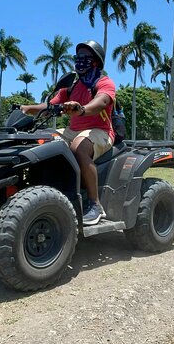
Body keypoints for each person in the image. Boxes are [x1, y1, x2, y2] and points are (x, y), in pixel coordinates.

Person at [21, 40, 116, 225]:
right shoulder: (72, 86)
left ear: (95, 62)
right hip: (72, 130)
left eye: (84, 58)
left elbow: (102, 102)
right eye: (77, 57)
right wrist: (27, 108)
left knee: (79, 148)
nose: (79, 61)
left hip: (100, 131)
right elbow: (49, 106)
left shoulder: (104, 82)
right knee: (41, 142)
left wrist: (81, 109)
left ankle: (95, 205)